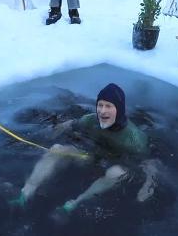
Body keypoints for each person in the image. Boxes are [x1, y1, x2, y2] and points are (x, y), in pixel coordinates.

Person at [12, 83, 159, 213]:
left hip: (116, 164)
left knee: (115, 172)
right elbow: (71, 124)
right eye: (100, 105)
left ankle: (76, 202)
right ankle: (26, 191)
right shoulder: (91, 120)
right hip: (92, 157)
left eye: (108, 106)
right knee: (57, 148)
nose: (102, 111)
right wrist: (53, 131)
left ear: (119, 109)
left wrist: (148, 185)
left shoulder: (134, 140)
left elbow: (149, 164)